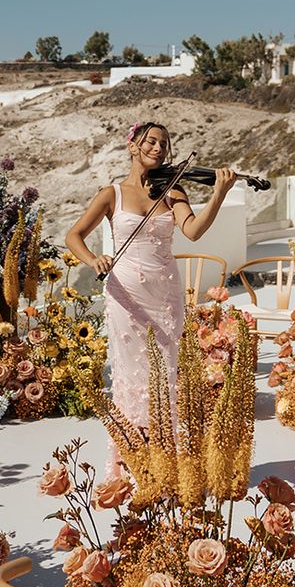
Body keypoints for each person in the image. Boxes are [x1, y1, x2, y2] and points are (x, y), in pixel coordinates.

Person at [64, 121, 237, 461]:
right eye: (151, 142)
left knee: (165, 374)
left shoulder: (174, 192)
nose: (158, 149)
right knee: (131, 374)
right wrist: (92, 259)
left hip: (165, 295)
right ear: (133, 147)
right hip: (125, 295)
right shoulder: (111, 194)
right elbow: (74, 236)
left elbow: (194, 230)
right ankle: (133, 456)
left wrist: (218, 194)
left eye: (164, 144)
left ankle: (165, 454)